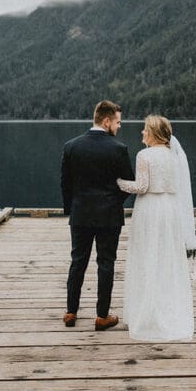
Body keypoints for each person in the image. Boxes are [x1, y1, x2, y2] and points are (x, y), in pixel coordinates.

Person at [117, 115, 196, 341]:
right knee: (166, 257)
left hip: (150, 209)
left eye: (144, 129)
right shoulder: (176, 156)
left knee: (147, 256)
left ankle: (147, 312)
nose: (142, 133)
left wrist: (119, 183)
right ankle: (167, 308)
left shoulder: (145, 155)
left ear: (153, 132)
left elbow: (142, 187)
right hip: (170, 210)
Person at [60, 100, 134, 331]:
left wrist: (72, 209)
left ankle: (71, 312)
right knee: (106, 263)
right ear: (106, 121)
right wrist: (112, 203)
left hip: (80, 214)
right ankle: (102, 316)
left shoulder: (71, 146)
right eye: (118, 122)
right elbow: (127, 184)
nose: (119, 127)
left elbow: (65, 184)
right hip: (109, 216)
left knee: (77, 261)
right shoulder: (118, 149)